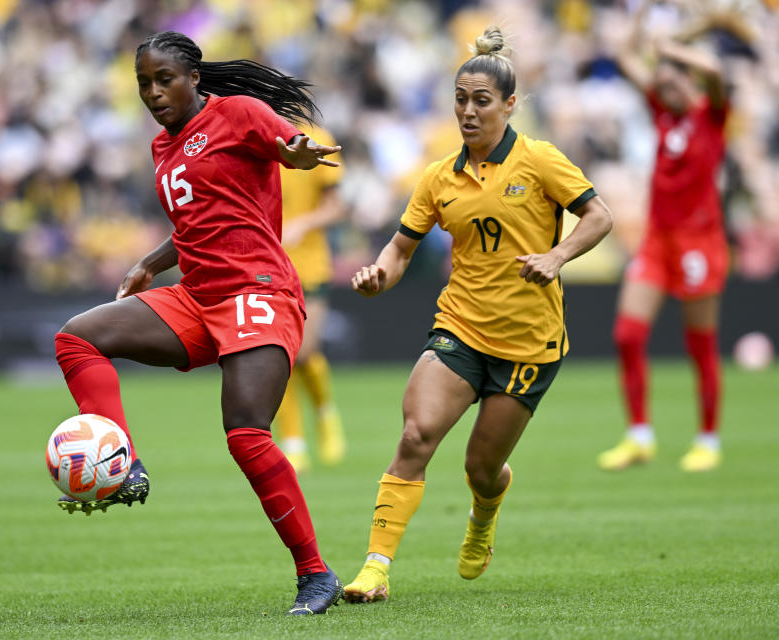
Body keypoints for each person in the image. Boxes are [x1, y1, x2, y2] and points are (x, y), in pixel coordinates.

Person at [52, 31, 343, 615]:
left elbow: (285, 144)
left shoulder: (238, 113)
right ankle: (122, 461)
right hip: (197, 296)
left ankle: (315, 574)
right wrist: (148, 264)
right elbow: (197, 222)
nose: (154, 93)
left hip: (258, 291)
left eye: (164, 80)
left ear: (193, 78)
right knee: (76, 338)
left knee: (245, 433)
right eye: (143, 84)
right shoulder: (165, 147)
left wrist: (297, 151)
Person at [342, 27, 613, 602]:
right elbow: (400, 248)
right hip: (460, 327)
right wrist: (378, 276)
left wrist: (556, 255)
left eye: (481, 100)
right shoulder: (439, 177)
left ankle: (484, 513)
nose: (468, 110)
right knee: (415, 435)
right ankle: (375, 567)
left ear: (509, 104)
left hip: (528, 344)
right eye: (460, 99)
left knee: (480, 468)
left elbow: (598, 217)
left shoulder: (540, 161)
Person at [598, 13, 729, 473]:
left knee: (700, 344)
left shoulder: (711, 114)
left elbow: (714, 73)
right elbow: (623, 57)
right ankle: (640, 436)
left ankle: (707, 439)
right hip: (658, 240)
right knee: (628, 335)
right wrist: (638, 15)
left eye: (672, 78)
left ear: (687, 80)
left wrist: (672, 47)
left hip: (700, 241)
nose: (663, 85)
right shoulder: (663, 112)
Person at [274, 123, 347, 473]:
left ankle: (325, 412)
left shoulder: (318, 136)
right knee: (281, 355)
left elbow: (336, 207)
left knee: (305, 351)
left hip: (310, 265)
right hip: (268, 266)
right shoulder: (253, 136)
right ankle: (293, 442)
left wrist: (302, 224)